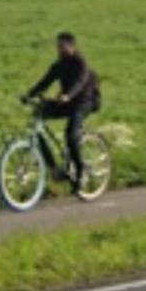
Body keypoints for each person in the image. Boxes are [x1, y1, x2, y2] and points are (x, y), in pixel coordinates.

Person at [22, 31, 99, 188]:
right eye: (57, 46)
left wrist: (68, 95)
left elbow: (80, 83)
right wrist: (28, 95)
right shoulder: (59, 65)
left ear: (71, 46)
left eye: (62, 46)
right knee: (38, 116)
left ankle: (80, 170)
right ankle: (53, 168)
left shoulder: (80, 63)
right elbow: (44, 82)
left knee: (70, 134)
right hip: (66, 102)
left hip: (83, 102)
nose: (59, 49)